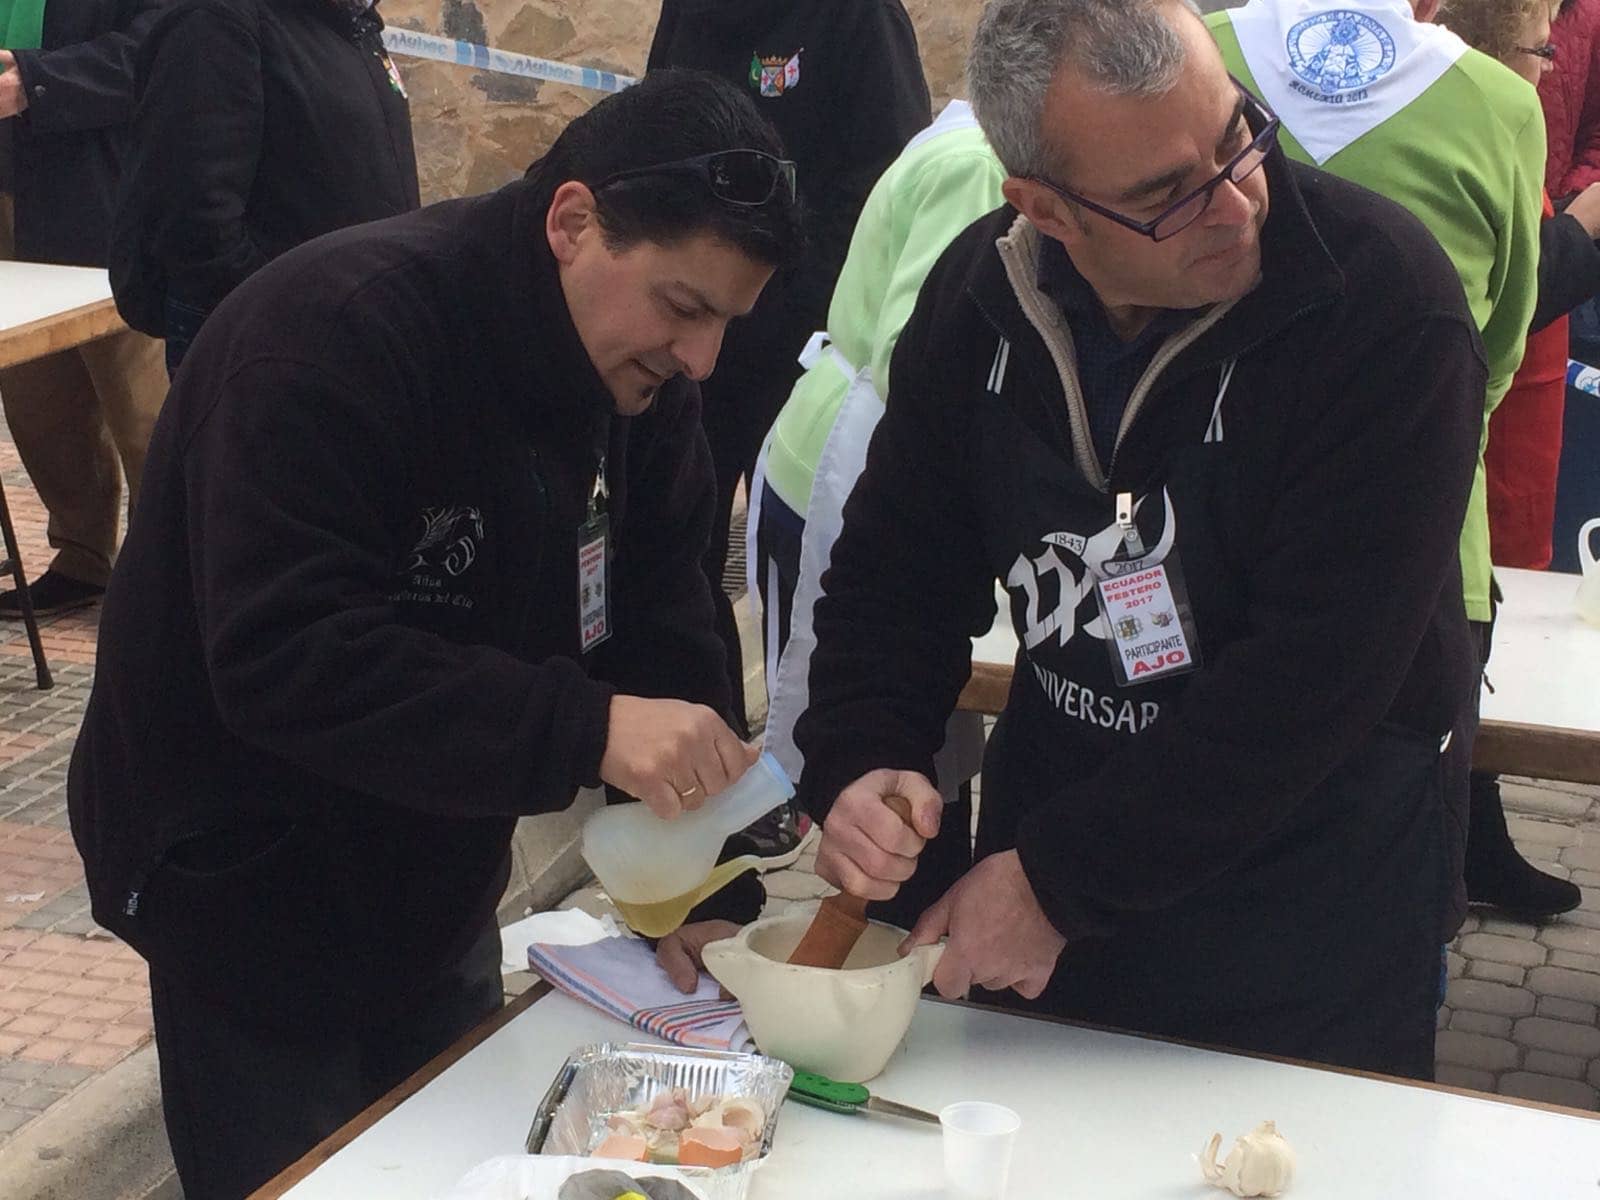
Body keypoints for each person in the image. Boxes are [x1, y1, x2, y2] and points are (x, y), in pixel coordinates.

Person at [67, 69, 804, 1198]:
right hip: (243, 883)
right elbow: (284, 656)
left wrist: (709, 890)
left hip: (436, 868)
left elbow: (668, 616)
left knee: (460, 1166)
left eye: (725, 324)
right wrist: (585, 725)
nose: (700, 358)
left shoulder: (640, 388)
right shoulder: (333, 337)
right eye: (683, 307)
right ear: (573, 222)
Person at [794, 0, 1482, 1079]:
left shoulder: (1383, 304)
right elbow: (896, 574)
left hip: (1308, 912)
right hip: (1060, 866)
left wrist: (1056, 884)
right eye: (1167, 195)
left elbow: (1315, 678)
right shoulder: (981, 298)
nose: (1237, 203)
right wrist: (864, 756)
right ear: (1043, 208)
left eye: (1236, 137)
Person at [1208, 0, 1553, 918]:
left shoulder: (1196, 55)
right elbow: (1497, 348)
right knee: (1391, 891)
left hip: (1204, 511)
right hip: (1421, 541)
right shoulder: (1498, 102)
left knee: (1196, 860)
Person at [646, 0, 931, 799]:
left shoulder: (858, 18)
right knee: (675, 553)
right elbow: (653, 135)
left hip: (803, 353)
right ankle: (694, 769)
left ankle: (804, 773)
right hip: (688, 332)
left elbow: (882, 187)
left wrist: (776, 301)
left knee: (807, 576)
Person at [748, 97, 1006, 929]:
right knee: (889, 749)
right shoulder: (981, 168)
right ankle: (897, 915)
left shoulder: (970, 141)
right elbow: (924, 357)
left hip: (843, 442)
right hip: (852, 462)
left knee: (922, 748)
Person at [1447, 0, 1592, 914]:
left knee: (1505, 592)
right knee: (1472, 601)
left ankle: (1475, 826)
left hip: (1524, 392)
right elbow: (1508, 295)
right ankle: (1460, 838)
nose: (1547, 63)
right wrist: (1583, 228)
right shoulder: (1476, 108)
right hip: (1495, 395)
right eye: (1538, 49)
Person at [109, 0, 419, 376]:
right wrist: (292, 314)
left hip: (354, 329)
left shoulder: (349, 20)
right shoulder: (215, 21)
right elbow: (195, 218)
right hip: (273, 346)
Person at [0, 0, 168, 618]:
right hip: (12, 189)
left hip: (107, 192)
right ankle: (82, 557)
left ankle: (170, 579)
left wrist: (34, 81)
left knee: (144, 408)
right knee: (37, 400)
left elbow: (161, 49)